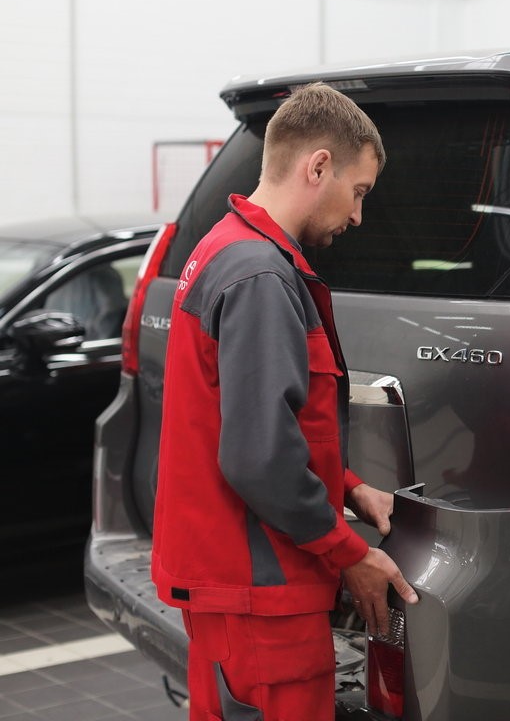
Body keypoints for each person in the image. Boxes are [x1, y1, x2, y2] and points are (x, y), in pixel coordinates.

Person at [151, 82, 418, 721]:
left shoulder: (223, 248)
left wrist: (349, 486)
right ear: (317, 165)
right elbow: (258, 456)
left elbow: (256, 420)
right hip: (260, 593)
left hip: (234, 586)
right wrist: (349, 554)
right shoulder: (260, 276)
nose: (357, 217)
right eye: (358, 192)